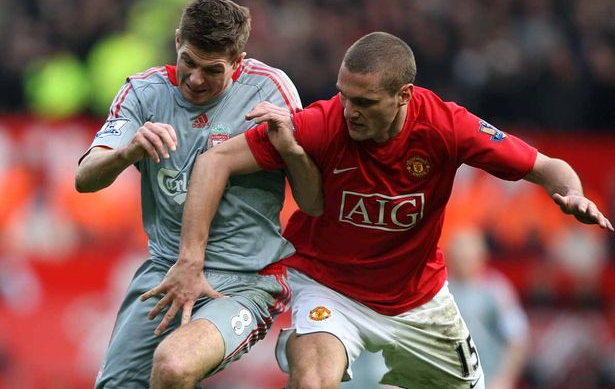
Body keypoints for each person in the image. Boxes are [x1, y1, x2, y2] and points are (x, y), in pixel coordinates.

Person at [168, 31, 613, 389]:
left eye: (364, 103)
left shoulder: (447, 127)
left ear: (403, 95)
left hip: (417, 301)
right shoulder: (322, 123)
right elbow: (216, 159)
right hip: (328, 286)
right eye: (344, 95)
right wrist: (191, 258)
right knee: (312, 380)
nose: (348, 111)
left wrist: (572, 194)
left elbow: (546, 166)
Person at [75, 0, 322, 389]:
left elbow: (312, 201)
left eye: (213, 70)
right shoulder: (143, 93)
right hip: (167, 272)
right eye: (188, 61)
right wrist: (128, 151)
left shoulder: (271, 91)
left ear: (238, 63)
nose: (195, 79)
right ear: (177, 41)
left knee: (174, 366)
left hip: (247, 280)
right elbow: (85, 178)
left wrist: (291, 149)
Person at [446, 227, 530, 389]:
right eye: (459, 255)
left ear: (481, 256)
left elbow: (517, 339)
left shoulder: (496, 290)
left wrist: (504, 379)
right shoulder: (440, 291)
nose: (462, 260)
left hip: (487, 380)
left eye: (467, 255)